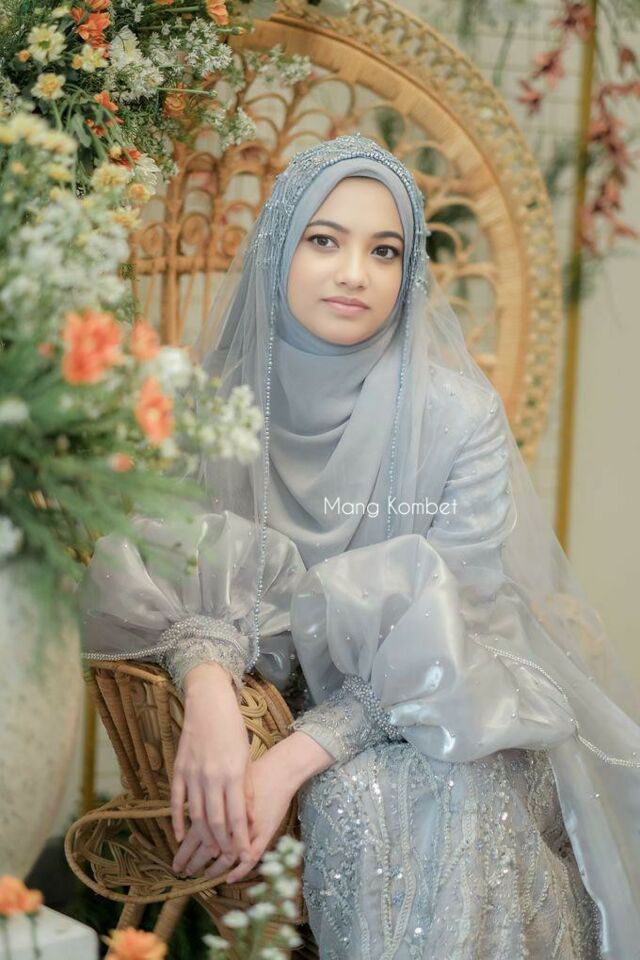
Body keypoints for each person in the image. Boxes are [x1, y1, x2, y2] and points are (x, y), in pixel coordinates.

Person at [78, 134, 640, 959]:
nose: (354, 274)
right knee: (375, 790)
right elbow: (154, 563)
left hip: (450, 709)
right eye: (324, 240)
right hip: (265, 709)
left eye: (385, 251)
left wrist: (289, 762)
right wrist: (206, 681)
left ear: (409, 274)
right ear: (279, 247)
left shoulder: (459, 419)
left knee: (401, 791)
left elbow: (464, 624)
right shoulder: (201, 406)